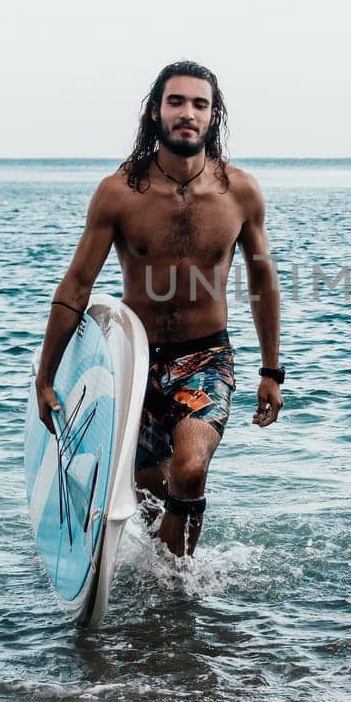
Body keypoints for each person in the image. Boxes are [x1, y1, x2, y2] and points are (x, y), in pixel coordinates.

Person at [36, 60, 284, 557]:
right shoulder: (119, 192)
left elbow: (262, 281)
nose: (187, 113)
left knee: (190, 471)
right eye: (176, 102)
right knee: (152, 498)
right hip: (134, 362)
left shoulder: (240, 192)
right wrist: (47, 377)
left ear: (214, 117)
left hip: (206, 357)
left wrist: (272, 370)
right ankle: (169, 597)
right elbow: (77, 285)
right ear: (156, 112)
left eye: (200, 104)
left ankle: (178, 592)